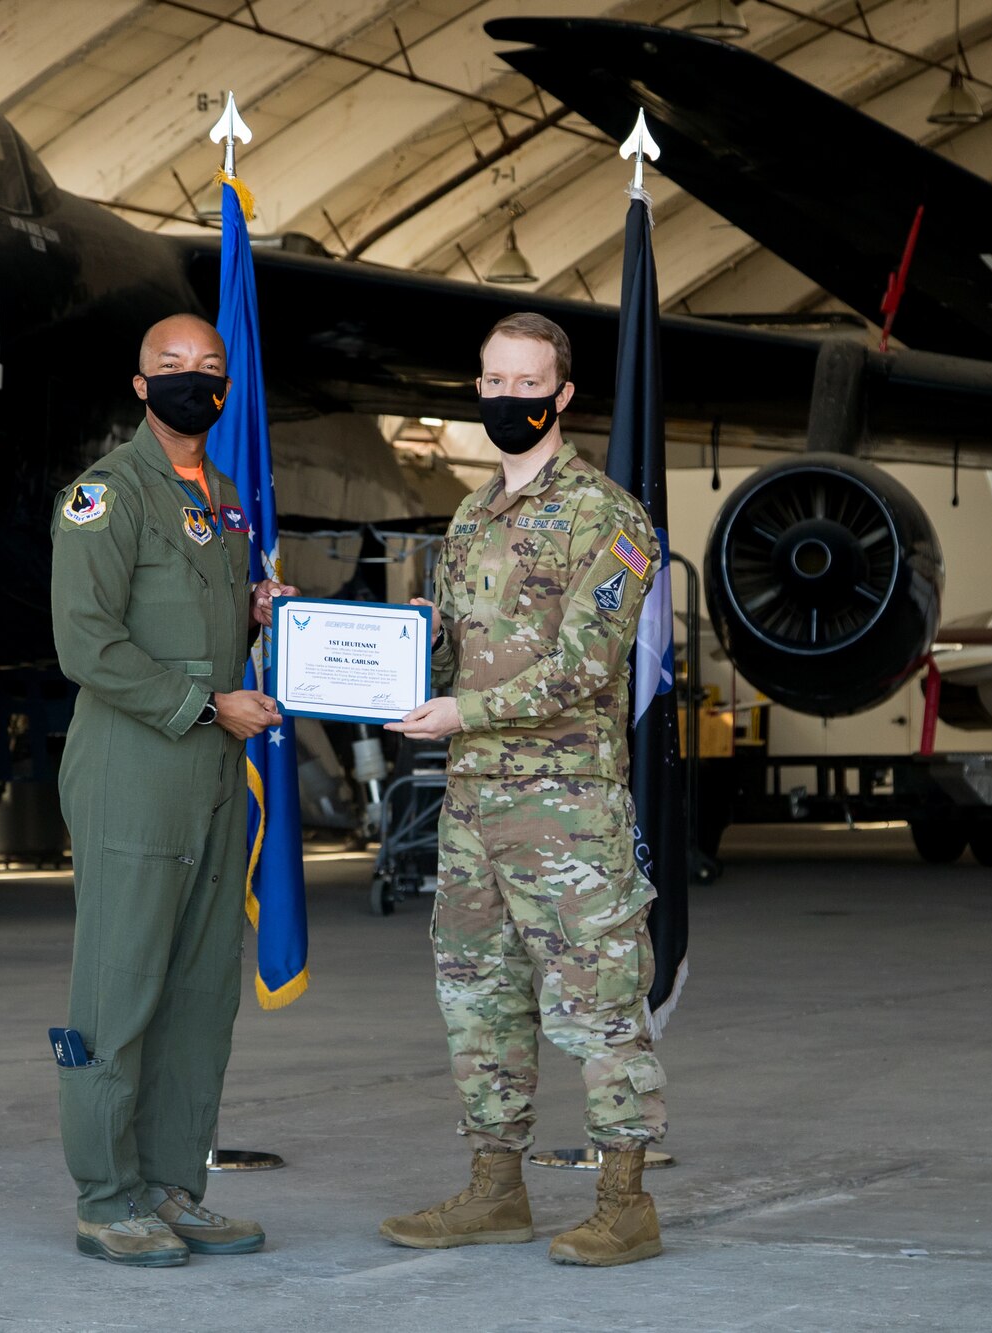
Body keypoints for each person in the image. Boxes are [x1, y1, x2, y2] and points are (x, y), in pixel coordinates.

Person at [380, 311, 668, 1267]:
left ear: (564, 394)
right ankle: (496, 1190)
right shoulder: (467, 516)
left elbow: (586, 668)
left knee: (599, 1001)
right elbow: (449, 651)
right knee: (480, 995)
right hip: (472, 809)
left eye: (527, 383)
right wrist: (371, 660)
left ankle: (625, 1200)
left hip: (566, 809)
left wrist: (464, 713)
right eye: (494, 382)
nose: (509, 398)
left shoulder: (611, 517)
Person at [49, 313, 295, 1267]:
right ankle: (106, 1196)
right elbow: (88, 642)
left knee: (200, 988)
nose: (194, 379)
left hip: (211, 772)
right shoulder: (105, 494)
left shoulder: (224, 497)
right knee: (120, 986)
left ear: (225, 389)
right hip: (137, 765)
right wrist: (204, 704)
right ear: (141, 384)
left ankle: (171, 1185)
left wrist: (259, 606)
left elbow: (202, 608)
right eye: (173, 367)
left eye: (210, 367)